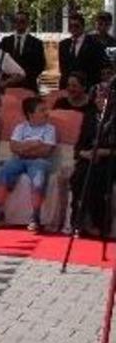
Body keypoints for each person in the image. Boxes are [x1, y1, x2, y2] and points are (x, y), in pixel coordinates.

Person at [0, 97, 57, 232]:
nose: (46, 113)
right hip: (18, 159)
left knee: (38, 181)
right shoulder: (20, 128)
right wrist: (33, 144)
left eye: (46, 109)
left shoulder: (50, 129)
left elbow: (46, 150)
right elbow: (14, 148)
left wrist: (24, 147)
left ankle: (35, 217)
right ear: (31, 114)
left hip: (39, 161)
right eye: (42, 110)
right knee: (3, 173)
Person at [70, 86, 115, 238]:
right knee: (78, 178)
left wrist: (102, 152)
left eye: (103, 98)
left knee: (97, 179)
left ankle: (99, 224)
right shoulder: (89, 116)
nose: (99, 101)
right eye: (97, 98)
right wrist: (85, 153)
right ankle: (78, 223)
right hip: (89, 157)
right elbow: (79, 145)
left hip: (109, 159)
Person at [0, 10, 46, 92]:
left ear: (27, 23)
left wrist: (23, 76)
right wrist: (9, 79)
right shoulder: (6, 41)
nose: (19, 23)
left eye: (22, 21)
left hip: (28, 85)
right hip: (8, 85)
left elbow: (40, 65)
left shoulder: (36, 43)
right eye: (16, 21)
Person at [58, 12, 106, 88]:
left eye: (76, 26)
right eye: (70, 26)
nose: (73, 29)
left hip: (87, 87)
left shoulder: (95, 44)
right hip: (67, 87)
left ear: (83, 27)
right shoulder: (63, 44)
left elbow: (100, 67)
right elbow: (63, 69)